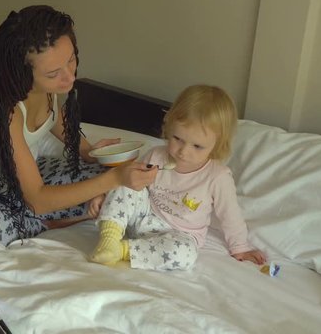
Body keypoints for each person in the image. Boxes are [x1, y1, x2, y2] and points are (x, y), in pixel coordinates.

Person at [0, 5, 157, 245]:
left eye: (71, 59)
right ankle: (48, 222)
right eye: (53, 74)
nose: (70, 77)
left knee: (118, 175)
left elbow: (53, 118)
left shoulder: (45, 86)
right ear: (20, 73)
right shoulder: (5, 112)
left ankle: (46, 218)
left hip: (28, 177)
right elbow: (37, 199)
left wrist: (87, 151)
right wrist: (114, 180)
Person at [89, 85, 266, 271]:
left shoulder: (218, 177)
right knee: (127, 180)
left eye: (197, 146)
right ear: (169, 125)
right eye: (177, 138)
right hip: (143, 218)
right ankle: (109, 238)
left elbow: (231, 216)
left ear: (217, 144)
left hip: (179, 234)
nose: (183, 151)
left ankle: (121, 250)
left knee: (186, 254)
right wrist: (104, 196)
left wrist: (240, 247)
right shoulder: (156, 156)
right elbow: (129, 187)